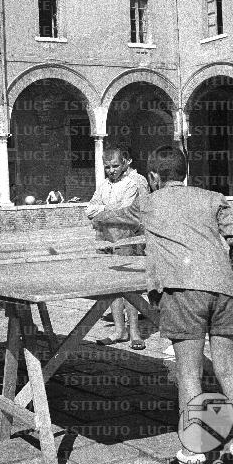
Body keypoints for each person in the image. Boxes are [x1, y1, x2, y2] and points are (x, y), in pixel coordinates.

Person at [92, 145, 233, 464]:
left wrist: (96, 215)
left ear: (154, 176)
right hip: (223, 291)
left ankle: (192, 460)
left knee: (189, 374)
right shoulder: (212, 198)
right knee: (231, 372)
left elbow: (113, 216)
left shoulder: (149, 202)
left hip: (183, 293)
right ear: (185, 172)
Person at [86, 145, 148, 350]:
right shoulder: (103, 185)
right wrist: (107, 211)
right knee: (112, 286)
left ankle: (134, 332)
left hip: (127, 240)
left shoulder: (133, 183)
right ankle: (119, 330)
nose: (111, 170)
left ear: (125, 164)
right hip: (105, 239)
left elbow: (127, 211)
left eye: (115, 166)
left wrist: (102, 212)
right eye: (107, 167)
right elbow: (89, 209)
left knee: (130, 287)